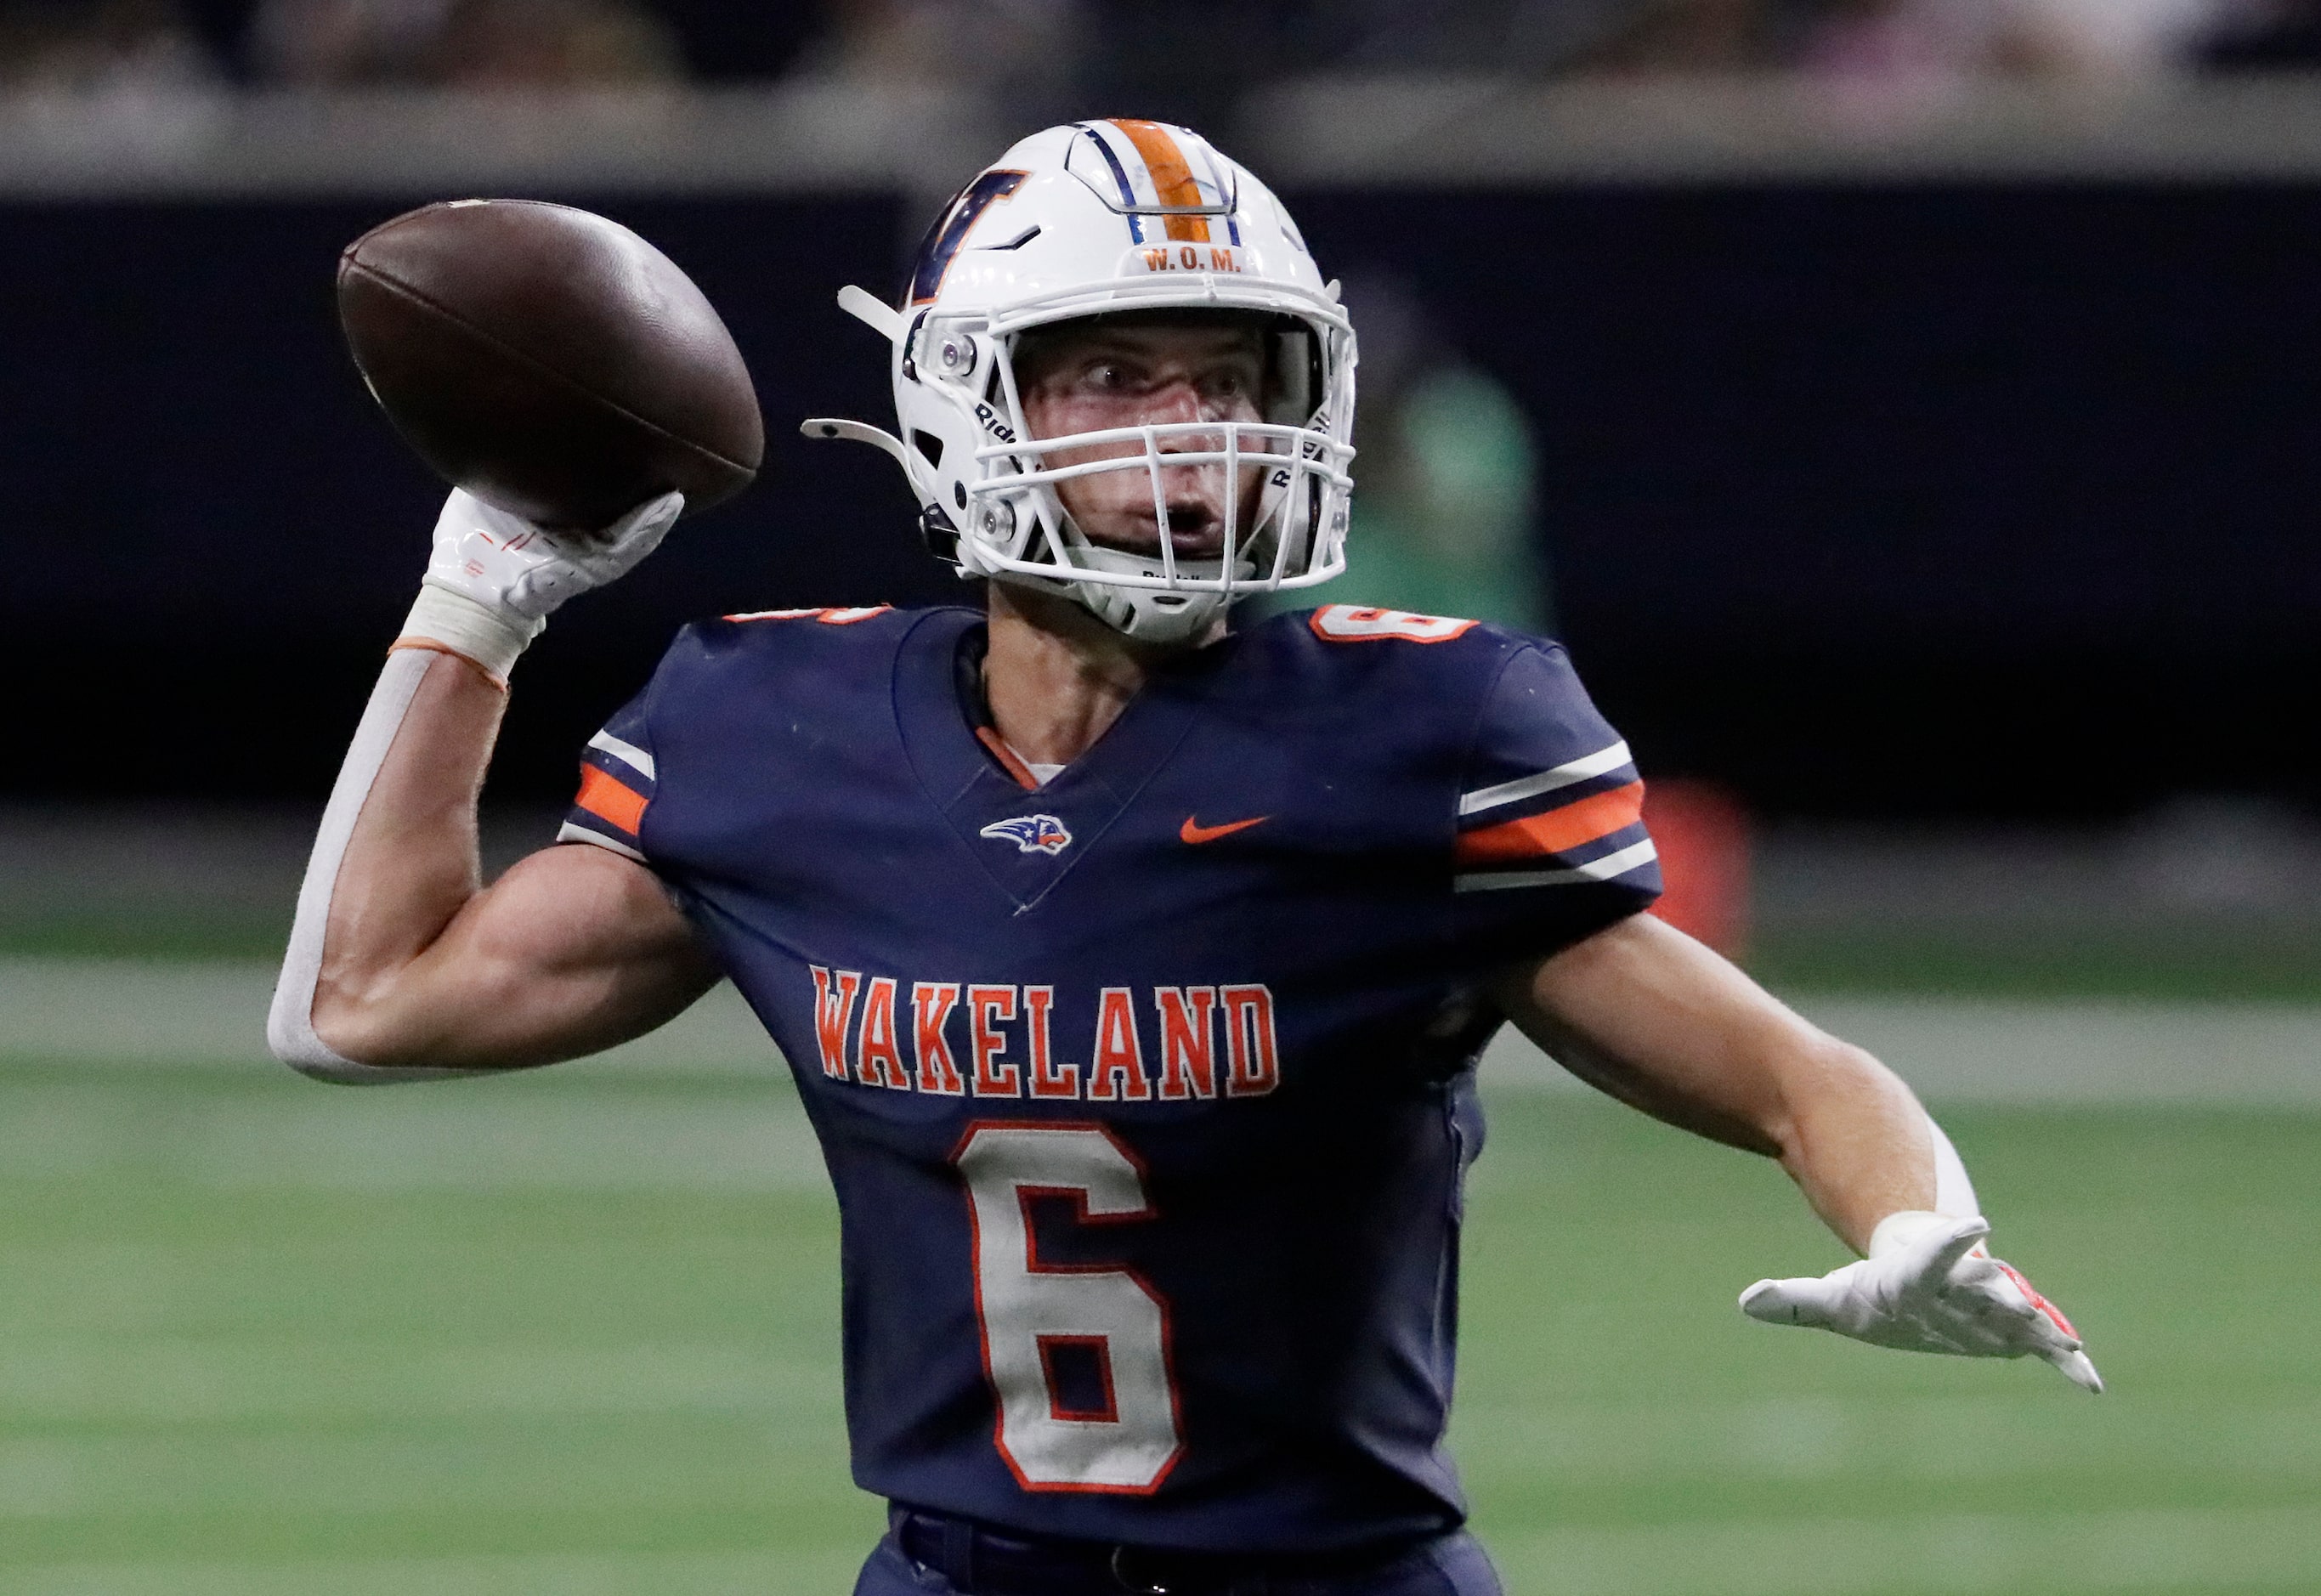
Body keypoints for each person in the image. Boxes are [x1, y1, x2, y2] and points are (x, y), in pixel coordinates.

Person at [269, 119, 2097, 1596]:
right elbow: (363, 1002)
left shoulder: (1416, 745)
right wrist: (484, 590)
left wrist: (1915, 1214)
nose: (1188, 432)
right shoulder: (783, 732)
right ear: (962, 401)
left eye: (1230, 377)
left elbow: (1794, 1076)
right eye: (1113, 375)